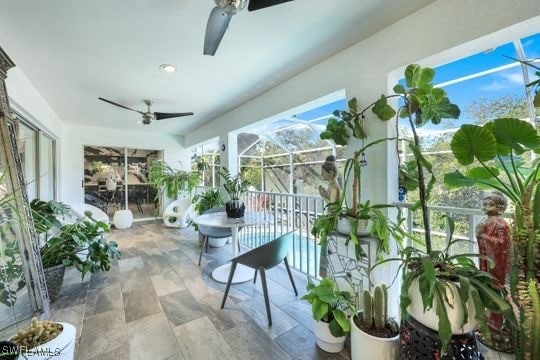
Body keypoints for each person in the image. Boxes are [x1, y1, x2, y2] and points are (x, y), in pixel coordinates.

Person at [475, 191, 510, 330]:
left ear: (500, 207)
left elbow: (502, 244)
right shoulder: (484, 221)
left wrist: (483, 235)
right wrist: (479, 235)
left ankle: (497, 322)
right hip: (485, 258)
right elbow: (481, 240)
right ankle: (487, 317)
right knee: (485, 283)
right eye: (485, 204)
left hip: (497, 262)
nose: (486, 207)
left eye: (490, 204)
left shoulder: (502, 225)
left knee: (495, 286)